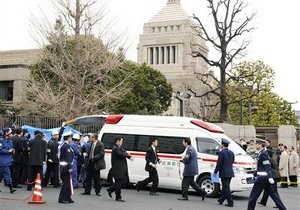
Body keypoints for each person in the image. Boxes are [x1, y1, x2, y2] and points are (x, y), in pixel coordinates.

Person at [247, 139, 286, 210]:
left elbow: (267, 166)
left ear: (260, 145)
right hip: (265, 178)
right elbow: (261, 166)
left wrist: (270, 176)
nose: (255, 145)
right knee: (273, 195)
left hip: (262, 178)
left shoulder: (263, 154)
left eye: (256, 144)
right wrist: (254, 174)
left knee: (253, 196)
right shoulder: (261, 153)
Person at [107, 136, 132, 202]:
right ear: (117, 141)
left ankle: (111, 189)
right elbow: (121, 154)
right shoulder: (115, 149)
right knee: (119, 183)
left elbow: (124, 152)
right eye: (121, 141)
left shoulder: (119, 148)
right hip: (117, 169)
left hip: (120, 169)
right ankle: (118, 197)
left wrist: (129, 156)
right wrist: (128, 155)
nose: (122, 142)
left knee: (119, 183)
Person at [213, 138, 235, 207]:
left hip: (224, 172)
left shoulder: (221, 152)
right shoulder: (231, 152)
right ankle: (221, 200)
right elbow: (232, 161)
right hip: (230, 172)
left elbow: (219, 163)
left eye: (221, 144)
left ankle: (230, 201)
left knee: (226, 187)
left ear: (222, 145)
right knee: (226, 187)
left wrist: (215, 171)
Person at [58, 131, 74, 204]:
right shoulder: (66, 146)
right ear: (68, 138)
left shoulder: (63, 145)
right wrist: (70, 167)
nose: (71, 138)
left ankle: (68, 197)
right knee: (66, 184)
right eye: (70, 137)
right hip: (66, 168)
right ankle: (62, 198)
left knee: (68, 184)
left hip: (64, 167)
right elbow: (68, 158)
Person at [0, 128, 16, 193]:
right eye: (10, 132)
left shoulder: (10, 140)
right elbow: (0, 150)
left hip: (8, 159)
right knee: (7, 174)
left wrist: (12, 151)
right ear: (6, 133)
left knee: (1, 175)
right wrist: (8, 151)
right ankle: (11, 188)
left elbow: (10, 148)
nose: (11, 134)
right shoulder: (1, 140)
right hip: (3, 161)